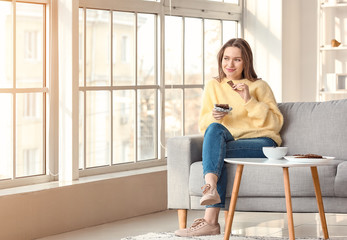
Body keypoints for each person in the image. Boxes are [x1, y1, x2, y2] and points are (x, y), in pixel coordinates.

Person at [174, 38, 284, 237]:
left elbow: (274, 124)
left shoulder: (259, 86)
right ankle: (211, 188)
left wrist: (248, 100)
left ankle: (210, 221)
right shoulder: (213, 86)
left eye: (237, 60)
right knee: (214, 129)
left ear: (246, 62)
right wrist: (213, 116)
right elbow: (204, 125)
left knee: (216, 153)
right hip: (228, 140)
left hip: (262, 141)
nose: (229, 65)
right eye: (226, 59)